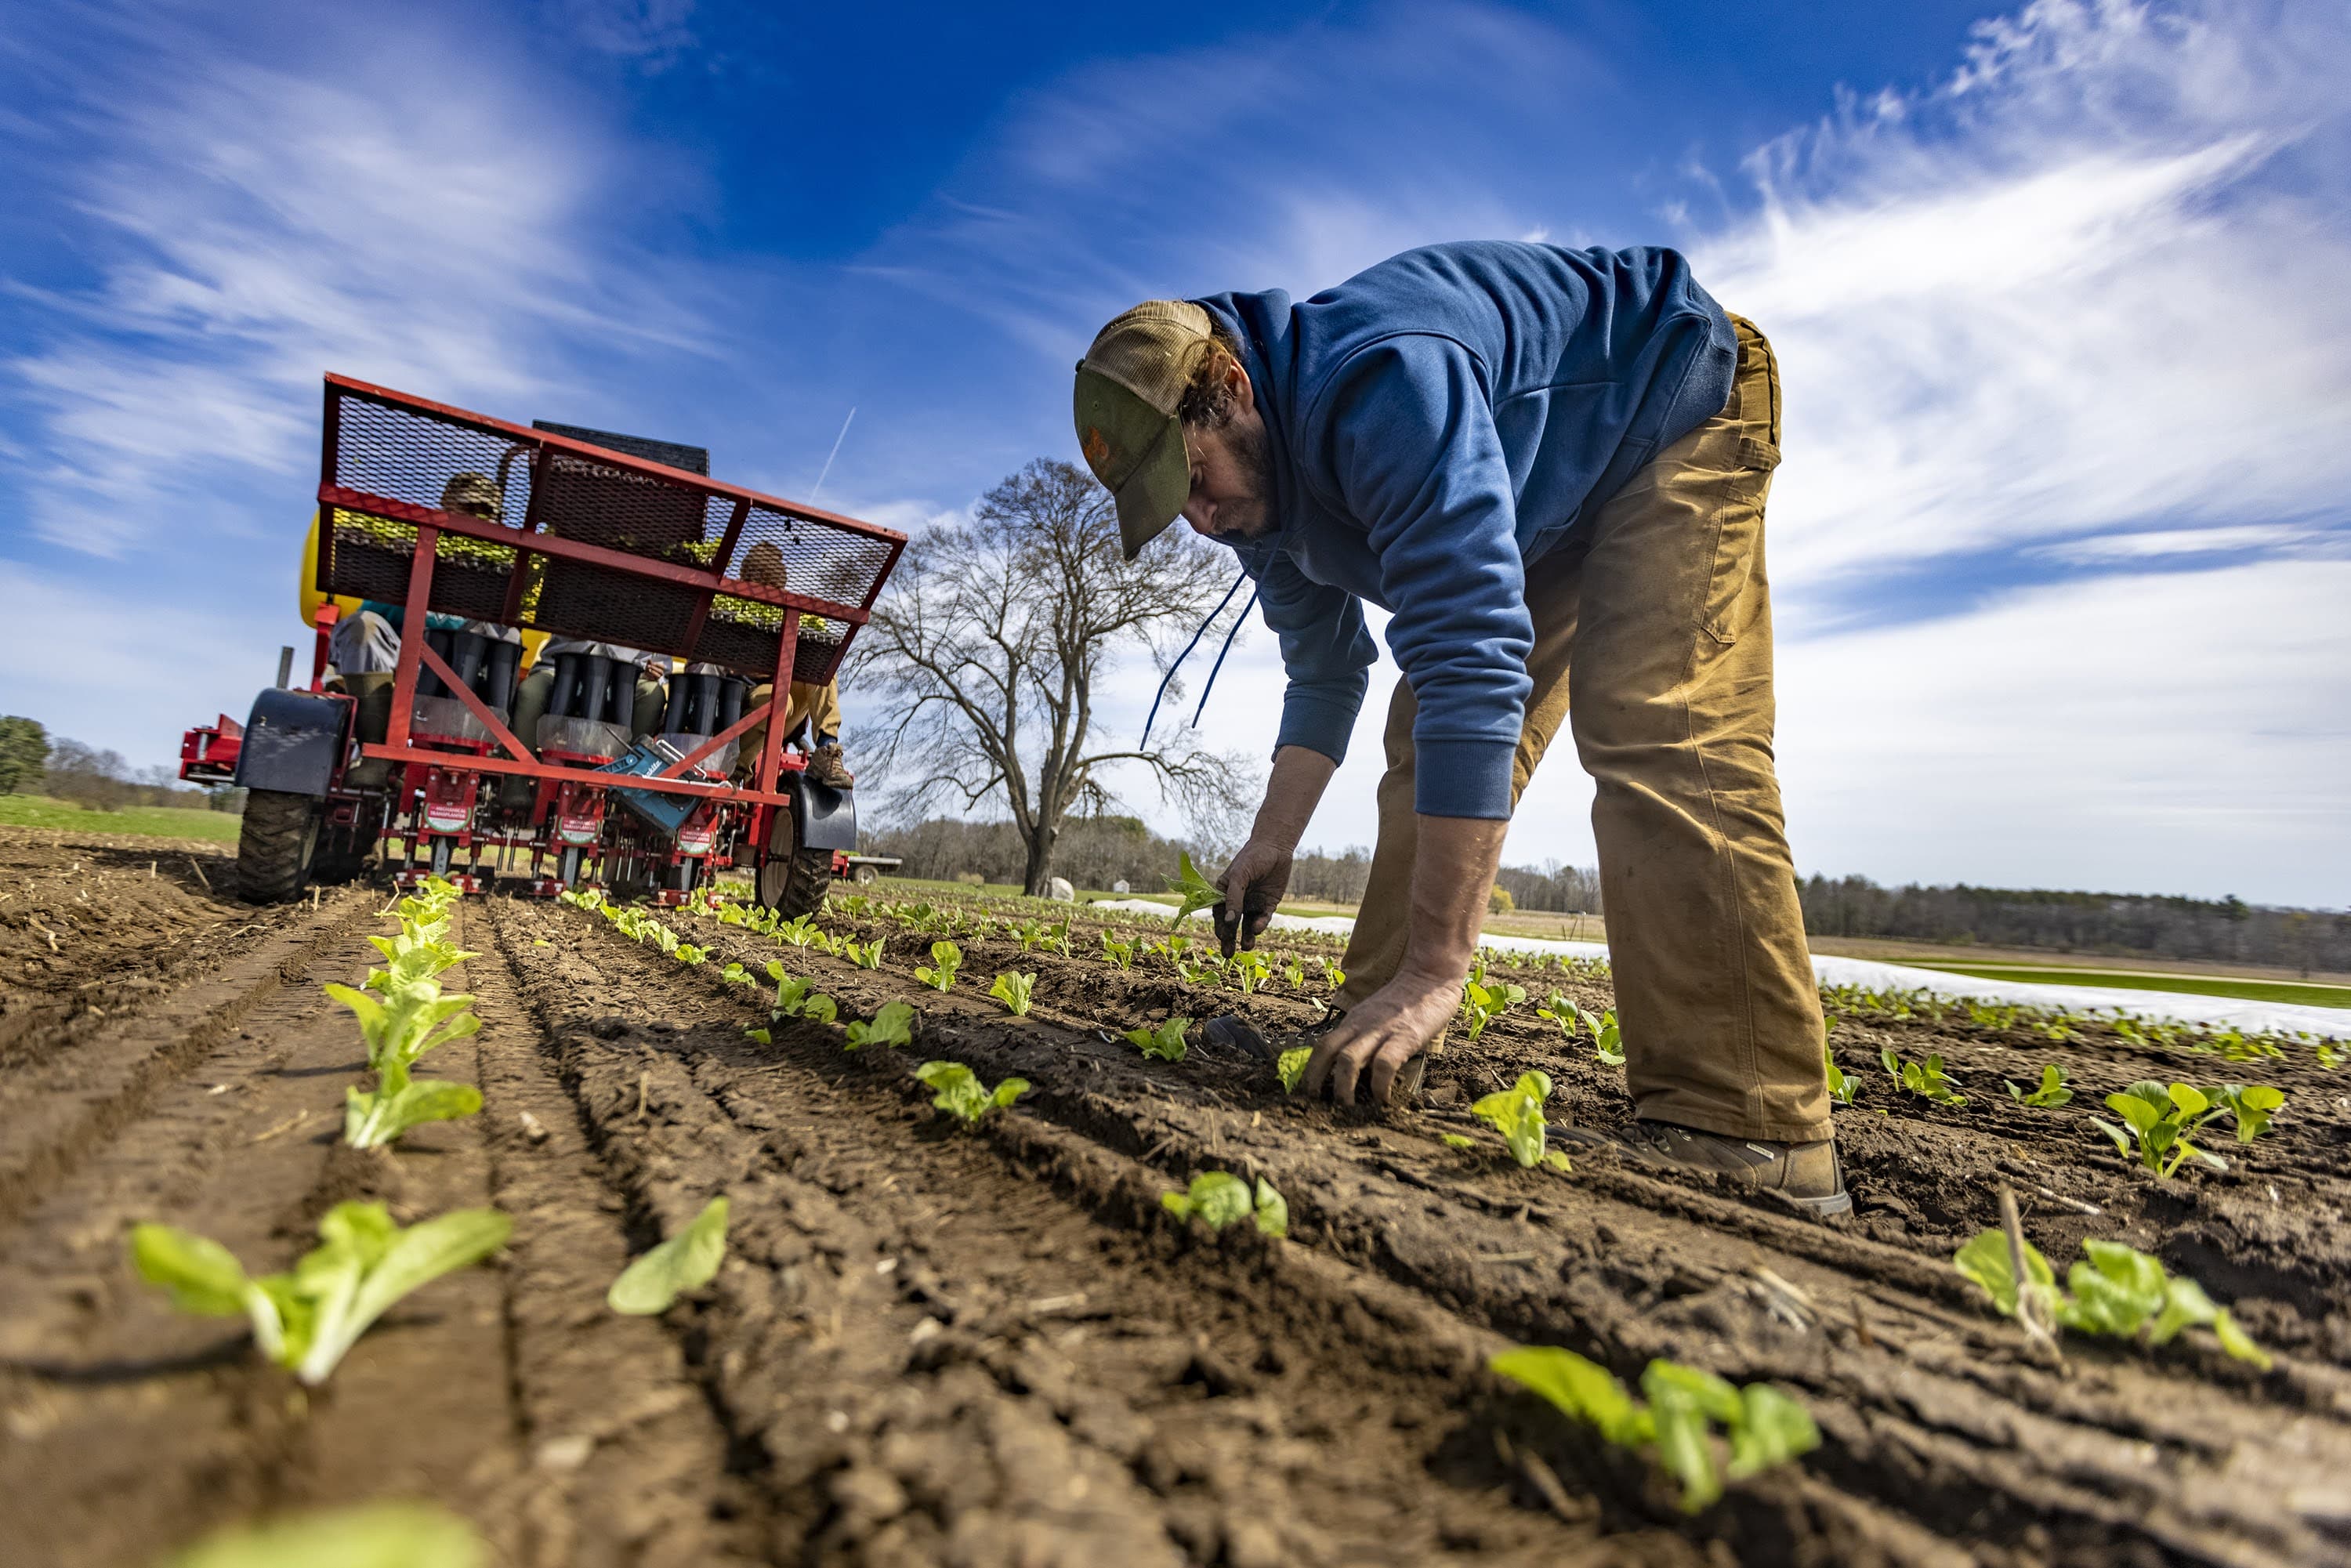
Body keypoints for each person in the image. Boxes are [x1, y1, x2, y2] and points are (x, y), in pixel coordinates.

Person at [1071, 241, 1846, 1214]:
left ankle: (1747, 1121)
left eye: (1192, 480)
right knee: (1423, 732)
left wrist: (1448, 963)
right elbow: (1324, 670)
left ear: (1231, 387)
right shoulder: (1251, 507)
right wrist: (1270, 844)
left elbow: (1470, 648)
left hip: (1671, 402)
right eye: (1170, 505)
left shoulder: (1384, 381)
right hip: (1550, 495)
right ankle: (1373, 1030)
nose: (1200, 520)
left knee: (1660, 722)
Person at [734, 541, 854, 789]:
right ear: (745, 574)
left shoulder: (787, 616)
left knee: (820, 670)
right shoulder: (730, 608)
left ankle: (826, 750)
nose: (761, 582)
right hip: (740, 700)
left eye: (768, 578)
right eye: (755, 575)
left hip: (784, 707)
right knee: (779, 699)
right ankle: (739, 769)